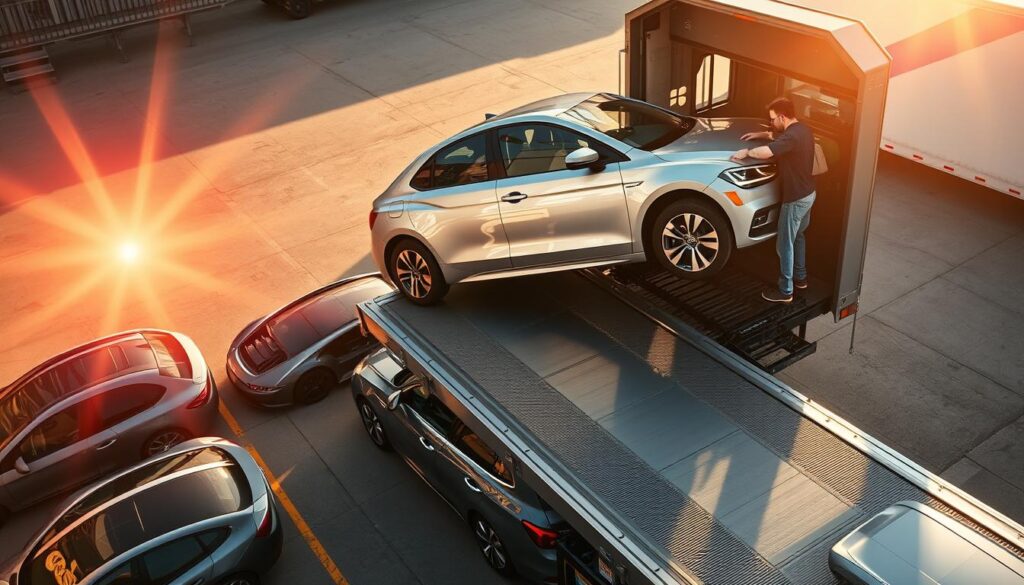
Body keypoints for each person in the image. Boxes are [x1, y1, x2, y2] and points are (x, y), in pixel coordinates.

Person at [731, 97, 816, 304]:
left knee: (784, 244)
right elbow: (776, 135)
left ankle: (785, 291)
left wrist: (746, 152)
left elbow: (766, 152)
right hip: (809, 194)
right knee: (799, 237)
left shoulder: (791, 137)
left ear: (781, 116)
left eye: (772, 119)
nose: (771, 123)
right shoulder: (802, 130)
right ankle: (801, 278)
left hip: (795, 198)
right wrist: (759, 134)